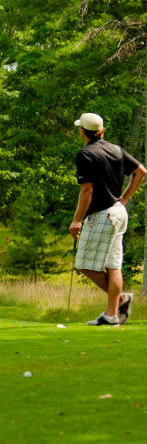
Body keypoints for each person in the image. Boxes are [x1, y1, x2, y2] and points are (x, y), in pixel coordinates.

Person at [69, 113, 146, 326]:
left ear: (83, 131)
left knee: (84, 264)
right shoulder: (116, 149)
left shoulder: (85, 154)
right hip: (119, 212)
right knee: (113, 266)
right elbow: (140, 172)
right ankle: (112, 315)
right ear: (101, 130)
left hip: (103, 214)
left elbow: (87, 191)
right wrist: (124, 198)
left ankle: (120, 299)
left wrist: (77, 220)